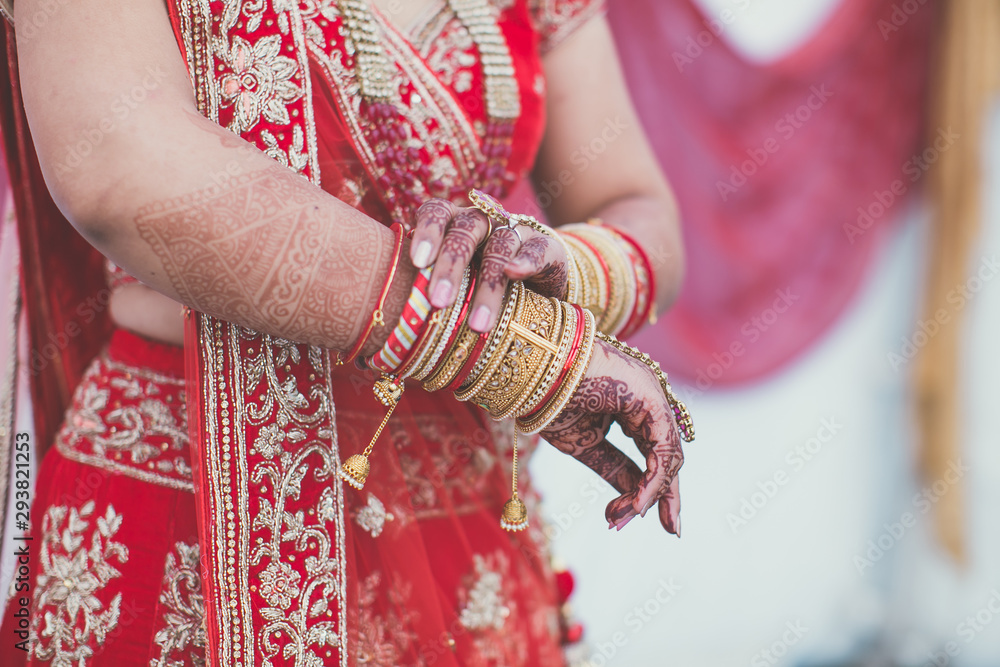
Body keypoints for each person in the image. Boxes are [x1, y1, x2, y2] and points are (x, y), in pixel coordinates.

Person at [0, 0, 689, 664]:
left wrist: (553, 267)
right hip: (194, 519)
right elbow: (117, 168)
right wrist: (502, 345)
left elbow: (633, 204)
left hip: (462, 526)